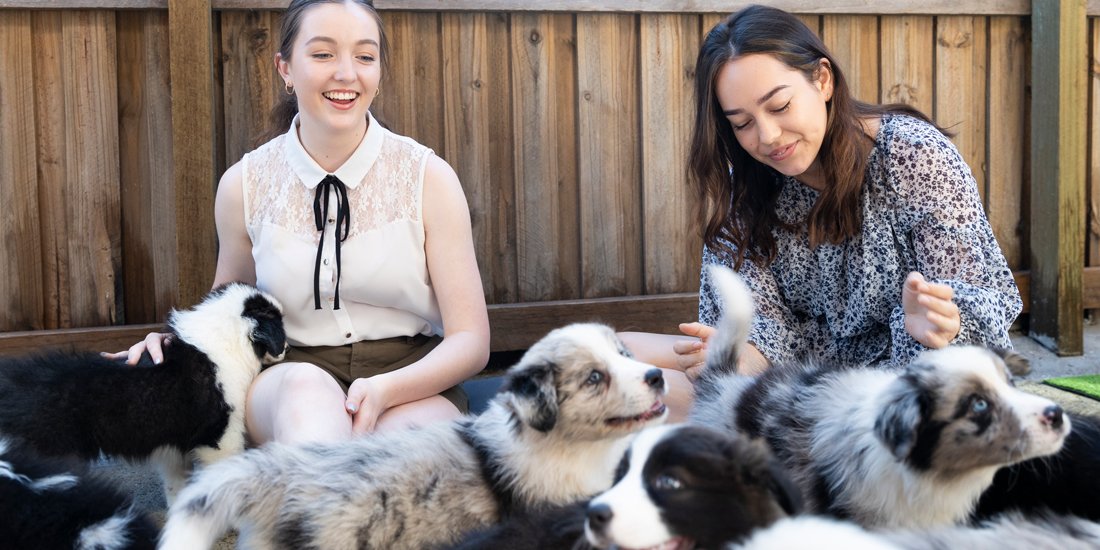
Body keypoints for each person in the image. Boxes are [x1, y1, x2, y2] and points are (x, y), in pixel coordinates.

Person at [108, 0, 490, 445]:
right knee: (309, 414)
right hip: (288, 373)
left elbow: (470, 340)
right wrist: (173, 343)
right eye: (324, 54)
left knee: (398, 455)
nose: (347, 73)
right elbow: (227, 311)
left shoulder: (429, 178)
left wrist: (385, 390)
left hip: (410, 379)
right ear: (285, 68)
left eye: (365, 56)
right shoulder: (244, 185)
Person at [621, 5, 1022, 395]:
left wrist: (941, 326)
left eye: (780, 106)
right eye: (742, 123)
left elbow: (981, 305)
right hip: (798, 376)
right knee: (612, 352)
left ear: (823, 80)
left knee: (632, 393)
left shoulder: (912, 156)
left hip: (896, 392)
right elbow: (764, 334)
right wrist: (739, 357)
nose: (768, 136)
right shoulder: (745, 183)